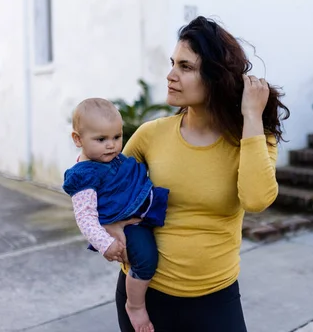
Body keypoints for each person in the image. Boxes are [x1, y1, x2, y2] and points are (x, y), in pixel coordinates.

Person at [103, 16, 290, 331]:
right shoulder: (151, 135)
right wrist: (112, 228)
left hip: (215, 298)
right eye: (173, 63)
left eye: (185, 67)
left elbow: (257, 199)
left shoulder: (253, 138)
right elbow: (102, 188)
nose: (170, 75)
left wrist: (251, 116)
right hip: (146, 297)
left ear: (215, 77)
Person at [62, 98, 169, 332]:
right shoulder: (84, 176)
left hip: (138, 210)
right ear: (78, 139)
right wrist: (105, 244)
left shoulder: (109, 157)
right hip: (129, 227)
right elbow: (85, 217)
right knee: (145, 259)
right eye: (101, 139)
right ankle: (135, 305)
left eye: (117, 137)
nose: (111, 145)